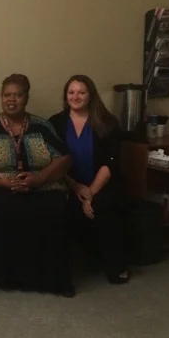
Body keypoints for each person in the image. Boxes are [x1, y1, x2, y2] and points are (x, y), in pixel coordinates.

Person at [0, 74, 74, 297]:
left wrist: (39, 179)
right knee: (2, 208)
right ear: (1, 97)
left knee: (54, 208)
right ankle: (7, 276)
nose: (12, 100)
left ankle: (50, 278)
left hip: (40, 184)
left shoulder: (42, 126)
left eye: (18, 95)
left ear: (26, 98)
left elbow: (64, 158)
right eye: (7, 95)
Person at [49, 75, 130, 285]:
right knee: (59, 207)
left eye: (81, 92)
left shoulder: (108, 123)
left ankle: (116, 266)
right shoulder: (55, 123)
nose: (76, 97)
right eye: (71, 92)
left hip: (103, 182)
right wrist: (76, 186)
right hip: (68, 182)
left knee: (103, 206)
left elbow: (110, 163)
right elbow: (53, 162)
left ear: (91, 95)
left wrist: (90, 193)